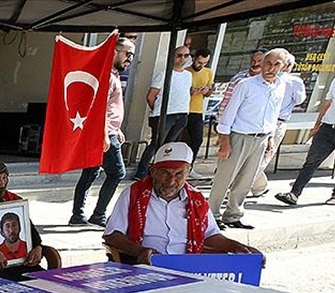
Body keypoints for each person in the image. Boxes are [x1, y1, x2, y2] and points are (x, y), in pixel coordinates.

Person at [104, 142, 261, 263]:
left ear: (189, 172)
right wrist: (140, 251)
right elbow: (112, 235)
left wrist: (236, 246)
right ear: (153, 172)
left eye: (179, 174)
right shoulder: (133, 194)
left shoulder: (197, 200)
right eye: (165, 173)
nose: (171, 181)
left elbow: (210, 235)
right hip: (146, 266)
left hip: (187, 267)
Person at [208, 48, 291, 230]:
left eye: (276, 64)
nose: (270, 68)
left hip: (261, 138)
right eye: (267, 63)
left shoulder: (281, 86)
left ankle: (233, 214)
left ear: (284, 67)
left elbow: (273, 113)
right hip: (239, 136)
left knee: (246, 179)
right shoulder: (246, 84)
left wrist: (269, 138)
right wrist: (225, 141)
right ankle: (212, 215)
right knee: (225, 177)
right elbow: (229, 113)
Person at [276, 44, 335, 208]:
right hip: (328, 126)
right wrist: (317, 125)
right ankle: (294, 194)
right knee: (311, 160)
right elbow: (327, 103)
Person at [71, 38, 133, 226]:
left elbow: (110, 107)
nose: (129, 59)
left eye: (131, 55)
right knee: (117, 173)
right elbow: (99, 107)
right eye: (127, 53)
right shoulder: (106, 75)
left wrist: (116, 127)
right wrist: (106, 133)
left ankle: (78, 215)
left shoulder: (112, 75)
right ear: (114, 52)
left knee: (91, 172)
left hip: (106, 131)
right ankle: (97, 215)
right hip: (103, 134)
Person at [133, 46, 193, 179]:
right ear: (173, 56)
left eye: (186, 55)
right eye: (179, 55)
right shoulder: (164, 74)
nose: (182, 58)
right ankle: (141, 171)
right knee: (156, 144)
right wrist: (158, 111)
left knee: (168, 146)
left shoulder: (188, 75)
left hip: (182, 113)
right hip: (164, 114)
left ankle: (159, 169)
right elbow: (151, 96)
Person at [251, 60, 307, 197]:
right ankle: (242, 187)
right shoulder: (293, 81)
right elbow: (300, 100)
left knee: (255, 157)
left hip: (262, 121)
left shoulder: (264, 80)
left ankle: (259, 187)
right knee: (262, 158)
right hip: (275, 122)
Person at [186, 48, 214, 178]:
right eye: (199, 62)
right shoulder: (186, 71)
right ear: (194, 58)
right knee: (180, 139)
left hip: (197, 110)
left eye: (204, 63)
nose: (201, 65)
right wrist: (190, 91)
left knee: (197, 140)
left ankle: (189, 167)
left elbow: (209, 92)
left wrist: (207, 90)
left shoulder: (208, 72)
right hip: (183, 110)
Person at [219, 50, 265, 115]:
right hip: (236, 118)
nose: (255, 64)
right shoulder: (238, 78)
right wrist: (220, 117)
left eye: (259, 61)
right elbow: (227, 99)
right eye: (253, 61)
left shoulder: (267, 81)